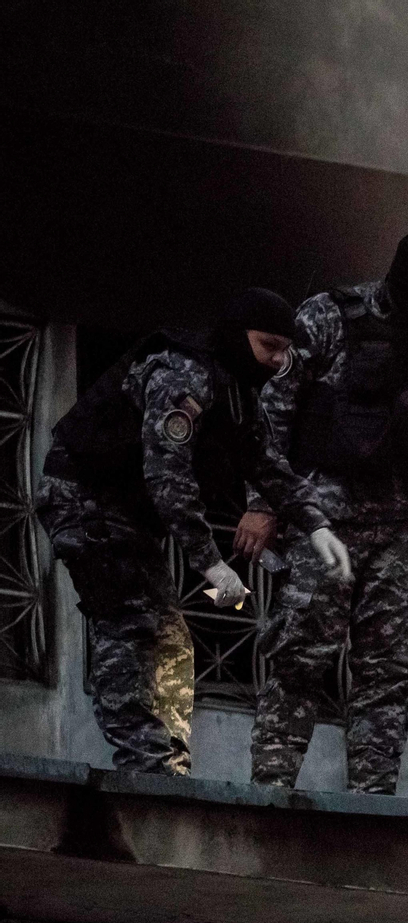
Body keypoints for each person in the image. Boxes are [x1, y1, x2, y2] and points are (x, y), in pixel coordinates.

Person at [35, 288, 352, 775]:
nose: (277, 361)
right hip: (84, 500)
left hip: (125, 517)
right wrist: (210, 563)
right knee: (131, 624)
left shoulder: (238, 394)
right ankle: (145, 765)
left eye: (285, 351)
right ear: (237, 336)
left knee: (170, 638)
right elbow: (169, 477)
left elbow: (268, 465)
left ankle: (167, 766)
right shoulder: (184, 374)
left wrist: (316, 524)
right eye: (268, 346)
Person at [247, 223, 408, 794]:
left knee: (391, 670)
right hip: (324, 519)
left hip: (400, 528)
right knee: (300, 655)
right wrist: (263, 503)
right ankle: (268, 794)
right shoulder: (328, 317)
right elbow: (274, 412)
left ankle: (373, 803)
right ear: (405, 280)